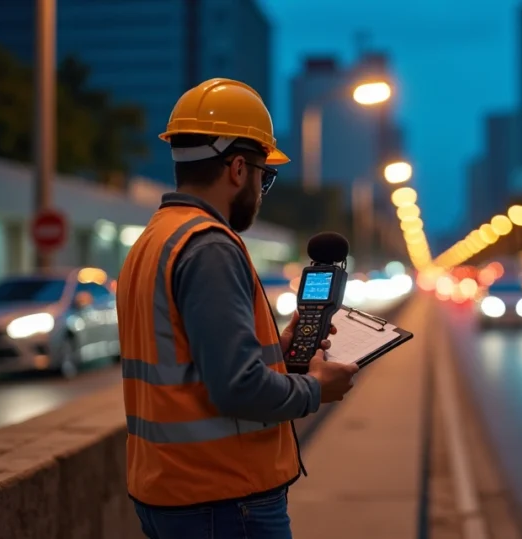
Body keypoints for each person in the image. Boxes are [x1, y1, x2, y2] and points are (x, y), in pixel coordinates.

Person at [116, 78, 360, 539]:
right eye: (263, 176)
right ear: (236, 168)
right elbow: (237, 388)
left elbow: (190, 361)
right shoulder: (210, 246)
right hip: (223, 500)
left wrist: (278, 350)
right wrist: (315, 388)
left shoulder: (153, 239)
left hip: (169, 492)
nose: (262, 189)